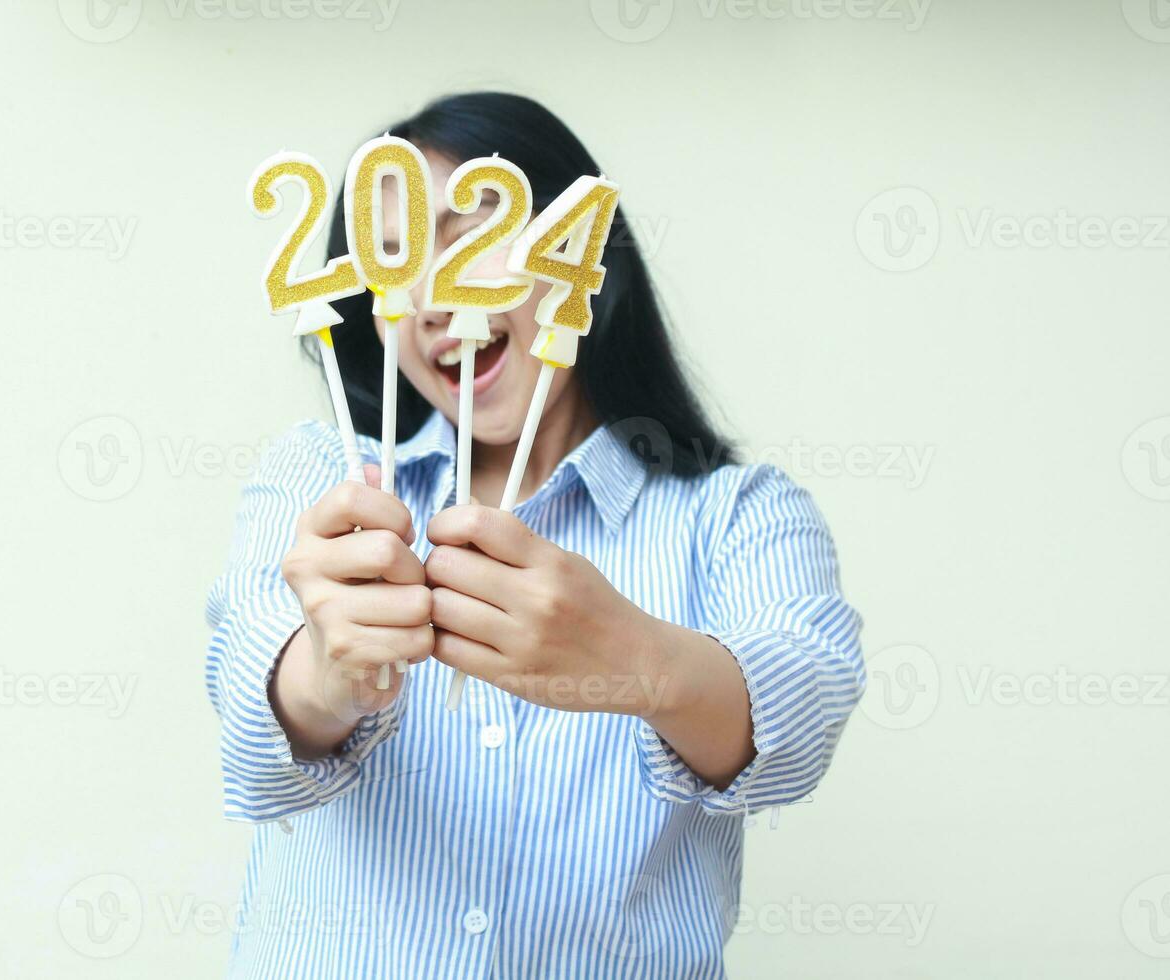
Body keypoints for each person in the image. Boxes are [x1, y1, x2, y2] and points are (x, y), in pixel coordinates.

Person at [206, 91, 864, 978]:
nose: (438, 294)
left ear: (581, 248)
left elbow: (803, 723)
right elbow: (248, 739)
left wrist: (638, 662)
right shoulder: (320, 478)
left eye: (471, 231)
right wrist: (328, 675)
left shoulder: (737, 515)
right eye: (393, 261)